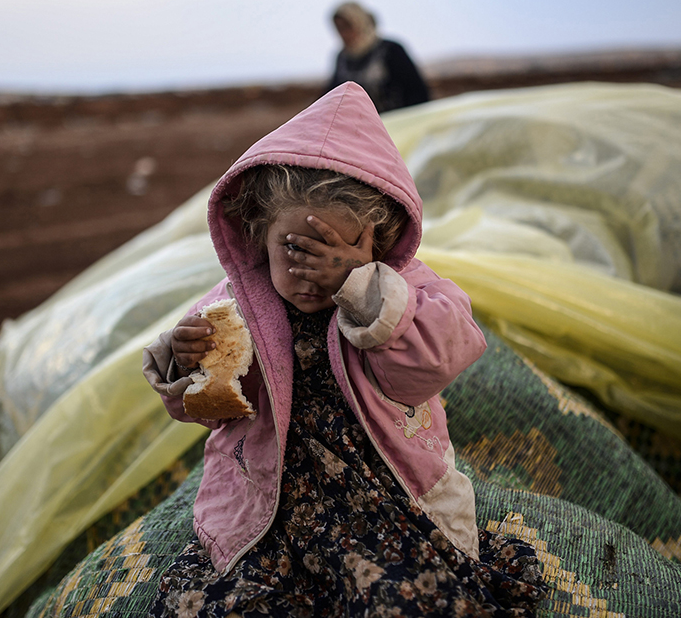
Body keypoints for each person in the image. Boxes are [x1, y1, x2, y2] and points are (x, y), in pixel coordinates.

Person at [142, 82, 546, 617]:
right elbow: (214, 409)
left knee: (401, 600)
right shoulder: (234, 305)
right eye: (296, 248)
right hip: (272, 495)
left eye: (343, 248)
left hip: (377, 493)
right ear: (259, 232)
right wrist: (185, 363)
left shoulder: (405, 291)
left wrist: (360, 289)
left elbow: (425, 370)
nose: (317, 270)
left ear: (378, 241)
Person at [324, 0, 431, 113]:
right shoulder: (342, 58)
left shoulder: (390, 50)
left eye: (347, 27)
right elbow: (332, 96)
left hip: (398, 123)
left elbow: (417, 92)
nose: (343, 34)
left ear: (360, 22)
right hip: (359, 128)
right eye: (339, 29)